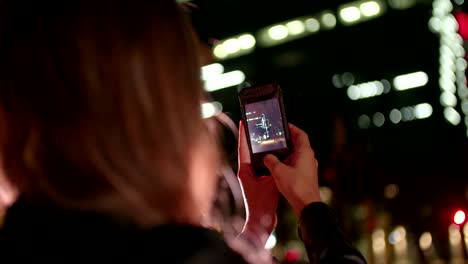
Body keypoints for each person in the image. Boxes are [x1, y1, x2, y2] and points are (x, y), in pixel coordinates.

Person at [0, 0, 366, 263]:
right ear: (162, 122)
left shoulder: (23, 240)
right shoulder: (182, 251)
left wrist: (255, 228)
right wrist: (311, 209)